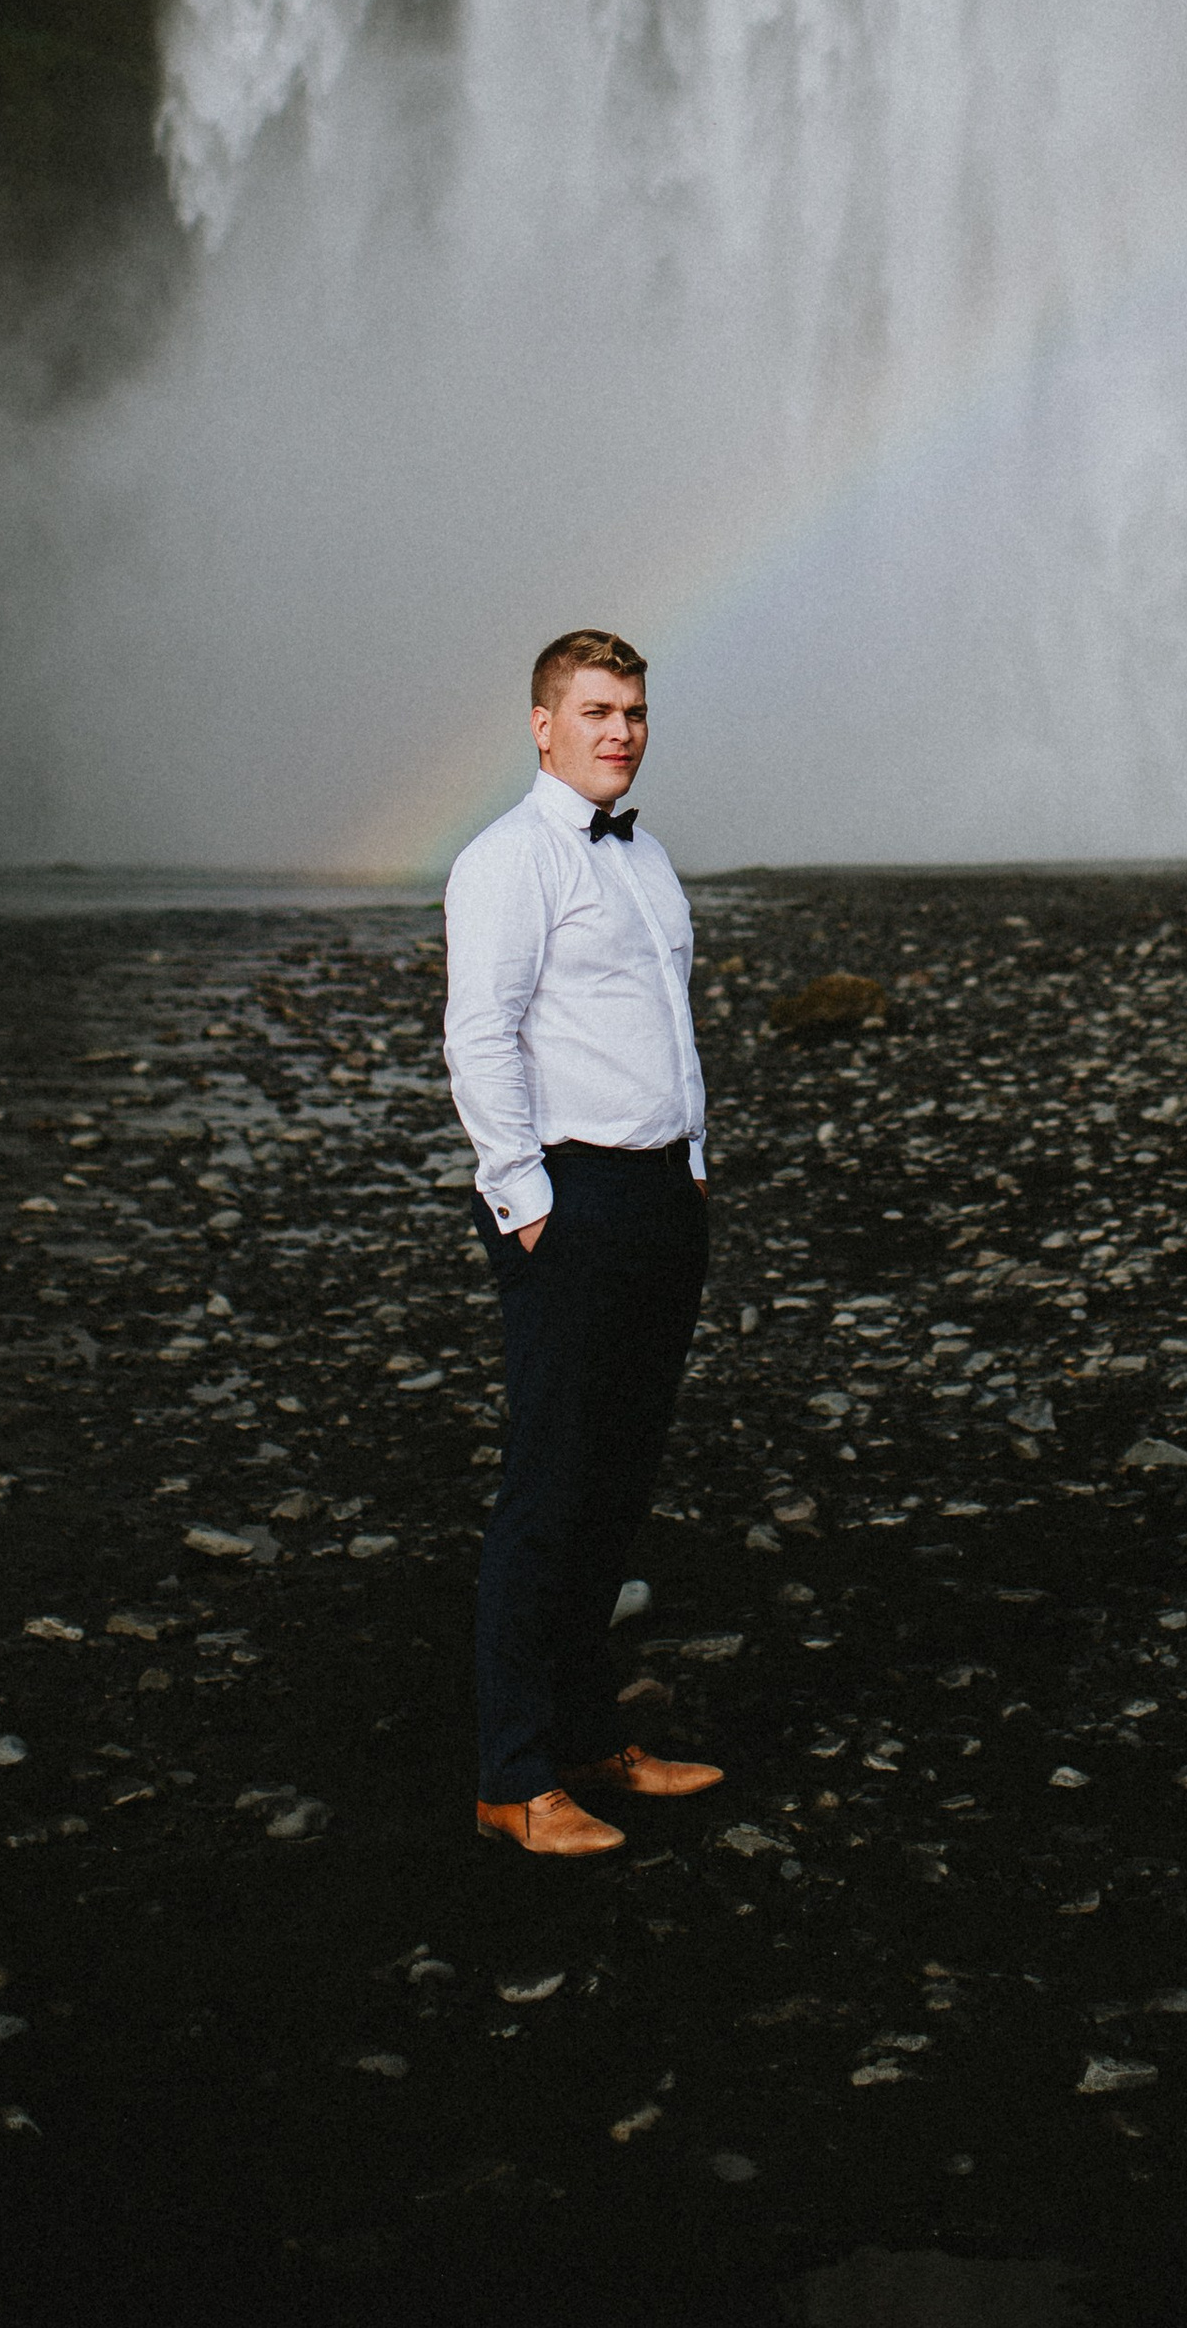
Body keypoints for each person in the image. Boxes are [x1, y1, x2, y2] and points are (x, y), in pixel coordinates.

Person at [442, 628, 724, 1855]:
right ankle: (512, 1773)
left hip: (661, 1197)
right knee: (549, 1489)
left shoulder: (647, 855)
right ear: (543, 724)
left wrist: (697, 1167)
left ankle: (592, 1738)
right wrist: (527, 1200)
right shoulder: (506, 861)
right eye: (597, 709)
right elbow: (479, 1035)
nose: (621, 730)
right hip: (572, 1201)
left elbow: (663, 1019)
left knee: (617, 1484)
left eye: (636, 711)